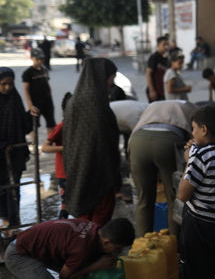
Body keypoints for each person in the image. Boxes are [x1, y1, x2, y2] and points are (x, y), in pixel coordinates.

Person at [178, 104, 215, 279]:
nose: (192, 133)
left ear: (203, 129)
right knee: (207, 270)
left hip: (198, 225)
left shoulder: (200, 156)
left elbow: (183, 195)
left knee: (192, 271)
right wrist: (195, 151)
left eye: (193, 128)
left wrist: (189, 160)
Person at [63, 58, 122, 227]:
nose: (113, 82)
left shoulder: (75, 100)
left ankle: (84, 249)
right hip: (98, 170)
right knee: (99, 220)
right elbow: (104, 137)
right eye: (112, 77)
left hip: (78, 168)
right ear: (101, 76)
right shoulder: (95, 101)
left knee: (82, 221)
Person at [129, 100, 198, 237]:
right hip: (168, 139)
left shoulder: (153, 105)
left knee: (144, 200)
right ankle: (174, 245)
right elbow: (196, 139)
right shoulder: (192, 107)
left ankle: (143, 246)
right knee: (173, 197)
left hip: (138, 141)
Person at [4, 218, 135, 279]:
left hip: (37, 248)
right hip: (19, 254)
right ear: (107, 242)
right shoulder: (82, 249)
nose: (117, 253)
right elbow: (64, 277)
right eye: (117, 249)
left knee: (84, 269)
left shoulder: (96, 229)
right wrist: (97, 265)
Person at [0, 68, 30, 234]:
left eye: (10, 84)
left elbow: (23, 125)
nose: (7, 87)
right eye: (3, 84)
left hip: (16, 152)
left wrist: (32, 115)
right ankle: (5, 219)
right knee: (2, 189)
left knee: (14, 187)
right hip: (1, 152)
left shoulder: (15, 98)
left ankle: (14, 222)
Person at [41, 92, 73, 219]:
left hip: (76, 171)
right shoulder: (61, 126)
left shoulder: (81, 126)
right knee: (65, 207)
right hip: (64, 172)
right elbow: (45, 147)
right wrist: (65, 148)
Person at [22, 48, 56, 137]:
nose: (40, 61)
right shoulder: (28, 73)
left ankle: (50, 143)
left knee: (51, 123)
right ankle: (34, 145)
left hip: (47, 101)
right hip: (35, 103)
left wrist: (51, 101)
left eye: (42, 59)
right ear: (32, 58)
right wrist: (30, 105)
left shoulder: (44, 70)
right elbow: (26, 89)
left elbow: (47, 86)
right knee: (34, 125)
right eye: (38, 59)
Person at [146, 36, 170, 103]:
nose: (166, 46)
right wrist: (152, 90)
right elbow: (148, 73)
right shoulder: (154, 57)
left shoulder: (166, 58)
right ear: (158, 45)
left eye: (167, 44)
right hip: (155, 89)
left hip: (163, 89)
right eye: (164, 44)